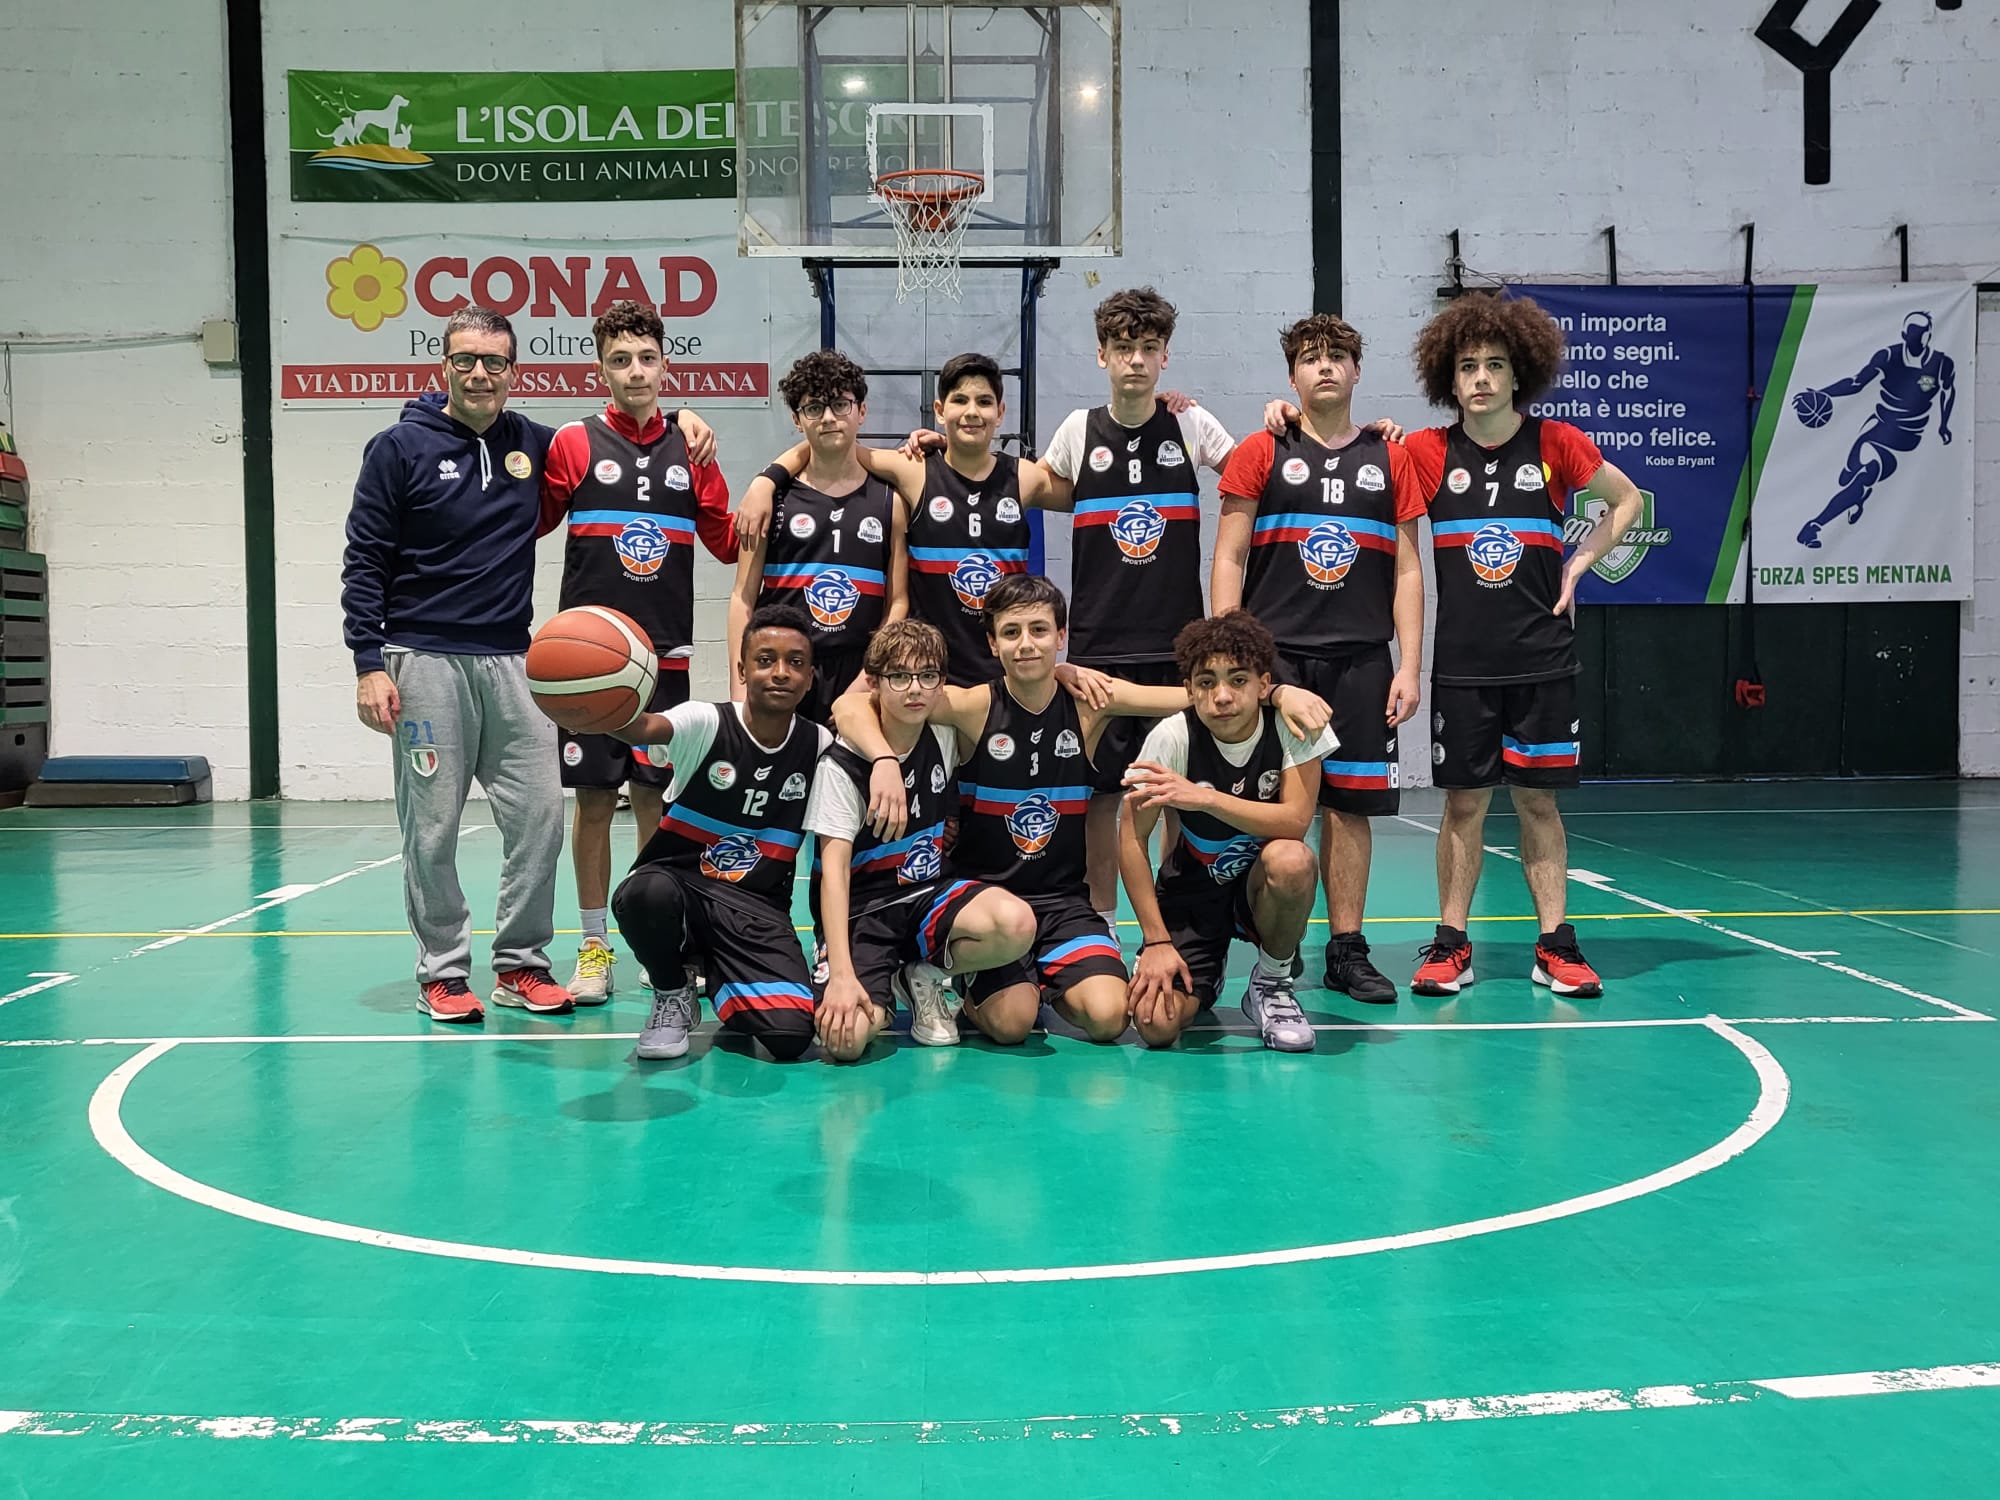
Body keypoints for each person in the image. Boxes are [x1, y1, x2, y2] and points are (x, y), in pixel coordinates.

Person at [834, 574, 1330, 1047]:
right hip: (989, 904)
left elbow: (1205, 693)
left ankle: (1041, 978)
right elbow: (850, 705)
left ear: (1061, 636)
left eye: (1039, 630)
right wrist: (882, 759)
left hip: (1063, 904)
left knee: (1110, 1017)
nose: (1026, 644)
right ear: (992, 644)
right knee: (1011, 1026)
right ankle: (966, 978)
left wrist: (1278, 691)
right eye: (1011, 633)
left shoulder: (1091, 701)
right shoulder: (971, 706)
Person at [1400, 293, 1643, 998]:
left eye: (1495, 365)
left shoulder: (1557, 443)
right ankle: (1451, 945)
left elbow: (1628, 500)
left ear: (1518, 374)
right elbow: (1351, 453)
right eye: (1468, 366)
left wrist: (1580, 562)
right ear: (1449, 379)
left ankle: (1555, 945)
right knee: (1463, 808)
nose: (1481, 377)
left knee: (1539, 805)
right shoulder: (1424, 452)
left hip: (1542, 659)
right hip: (1463, 665)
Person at [340, 305, 578, 1023]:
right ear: (443, 365)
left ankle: (521, 964)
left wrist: (684, 420)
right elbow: (364, 559)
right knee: (432, 828)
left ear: (513, 371)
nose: (480, 373)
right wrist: (368, 662)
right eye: (466, 359)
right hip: (422, 662)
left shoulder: (533, 444)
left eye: (494, 361)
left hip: (513, 661)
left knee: (541, 815)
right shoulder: (398, 448)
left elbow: (606, 444)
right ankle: (442, 972)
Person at [1218, 315, 1425, 1004]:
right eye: (1311, 358)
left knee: (1349, 810)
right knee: (1267, 810)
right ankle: (1266, 944)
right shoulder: (1261, 449)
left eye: (1338, 356)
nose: (1325, 366)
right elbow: (1229, 556)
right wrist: (1232, 655)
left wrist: (1409, 665)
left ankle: (1346, 949)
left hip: (1362, 661)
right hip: (1276, 665)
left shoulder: (1391, 457)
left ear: (1358, 371)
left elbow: (1408, 570)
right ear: (1292, 376)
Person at [536, 300, 738, 1005]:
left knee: (656, 801)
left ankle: (659, 943)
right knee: (594, 803)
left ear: (666, 365)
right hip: (586, 671)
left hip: (663, 663)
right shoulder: (572, 443)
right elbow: (523, 520)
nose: (635, 371)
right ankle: (594, 946)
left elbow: (729, 544)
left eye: (647, 358)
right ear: (601, 370)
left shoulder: (693, 448)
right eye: (620, 360)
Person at [1034, 288, 1237, 923]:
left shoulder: (1191, 424)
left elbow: (1259, 473)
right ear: (1102, 355)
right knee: (1100, 799)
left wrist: (1284, 415)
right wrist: (932, 451)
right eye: (1123, 348)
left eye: (1149, 348)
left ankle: (1179, 921)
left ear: (1165, 357)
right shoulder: (1078, 430)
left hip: (1178, 648)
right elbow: (1021, 483)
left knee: (1178, 792)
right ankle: (1099, 925)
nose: (1136, 360)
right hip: (1099, 649)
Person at [609, 605, 833, 1061]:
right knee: (643, 895)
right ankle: (672, 990)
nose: (780, 672)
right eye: (765, 660)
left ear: (810, 678)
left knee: (790, 1035)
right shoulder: (705, 722)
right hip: (681, 887)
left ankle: (720, 973)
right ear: (742, 670)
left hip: (755, 909)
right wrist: (590, 695)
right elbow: (643, 727)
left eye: (795, 662)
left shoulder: (818, 746)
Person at [805, 619, 1037, 1052]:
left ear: (940, 683)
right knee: (845, 1042)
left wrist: (1062, 671)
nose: (914, 689)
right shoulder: (840, 766)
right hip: (864, 913)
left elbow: (1012, 695)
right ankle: (870, 980)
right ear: (874, 683)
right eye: (899, 676)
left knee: (1016, 923)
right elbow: (833, 876)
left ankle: (924, 975)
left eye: (927, 676)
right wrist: (842, 974)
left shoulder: (944, 734)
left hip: (928, 895)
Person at [1120, 611, 1335, 1051]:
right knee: (1154, 1023)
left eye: (1238, 680)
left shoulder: (1293, 725)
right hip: (1193, 895)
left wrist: (1207, 799)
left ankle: (1271, 983)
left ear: (1264, 684)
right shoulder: (1171, 737)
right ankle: (1208, 974)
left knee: (1292, 860)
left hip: (1259, 888)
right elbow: (1131, 838)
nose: (1222, 696)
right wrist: (1156, 940)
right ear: (1189, 690)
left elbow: (1296, 821)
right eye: (1207, 682)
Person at [728, 350, 910, 724]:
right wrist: (739, 690)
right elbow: (742, 597)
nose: (828, 418)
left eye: (840, 404)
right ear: (797, 419)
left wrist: (869, 675)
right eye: (814, 408)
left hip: (858, 670)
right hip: (782, 668)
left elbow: (897, 602)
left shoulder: (890, 502)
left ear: (861, 411)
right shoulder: (771, 499)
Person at [1794, 309, 1957, 548]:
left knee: (1864, 477)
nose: (1919, 336)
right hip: (1879, 424)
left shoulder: (1941, 364)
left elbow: (1948, 391)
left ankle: (1817, 525)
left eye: (1924, 332)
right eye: (1914, 331)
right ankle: (1848, 497)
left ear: (1930, 334)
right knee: (1855, 476)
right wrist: (1822, 393)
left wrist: (1944, 424)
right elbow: (1856, 383)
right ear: (1904, 333)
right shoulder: (1888, 356)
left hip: (1907, 437)